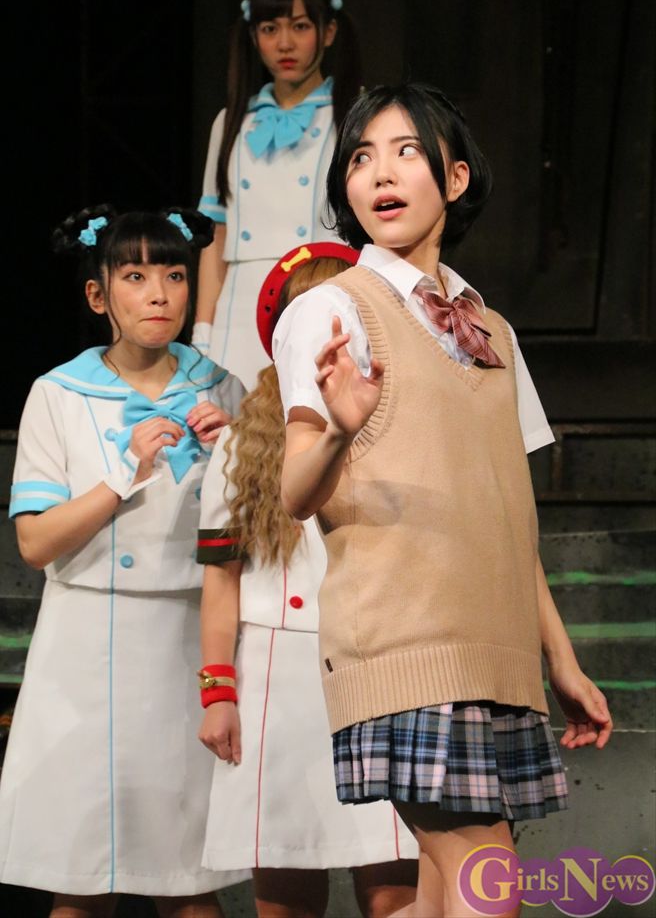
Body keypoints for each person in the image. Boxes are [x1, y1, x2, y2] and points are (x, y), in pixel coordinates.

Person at [273, 84, 613, 918]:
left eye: (405, 152)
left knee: (440, 897)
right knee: (487, 880)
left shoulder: (491, 330)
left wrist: (560, 658)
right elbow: (293, 493)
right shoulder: (330, 309)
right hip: (403, 644)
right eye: (361, 157)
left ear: (455, 178)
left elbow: (507, 512)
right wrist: (339, 429)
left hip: (495, 649)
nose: (380, 174)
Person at [0, 206, 247, 918]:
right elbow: (34, 542)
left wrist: (236, 451)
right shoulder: (57, 393)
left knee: (190, 883)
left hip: (188, 640)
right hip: (83, 650)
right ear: (98, 294)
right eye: (135, 276)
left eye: (174, 274)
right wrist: (121, 477)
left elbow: (260, 528)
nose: (160, 294)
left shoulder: (223, 388)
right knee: (79, 883)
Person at [196, 243, 419, 918]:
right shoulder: (243, 441)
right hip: (279, 678)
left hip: (384, 663)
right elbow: (222, 580)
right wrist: (217, 691)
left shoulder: (407, 421)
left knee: (394, 885)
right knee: (287, 887)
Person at [193, 0, 362, 388]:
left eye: (300, 26)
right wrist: (203, 330)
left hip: (320, 291)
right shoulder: (231, 122)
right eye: (270, 29)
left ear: (328, 31)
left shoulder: (356, 115)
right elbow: (215, 236)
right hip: (238, 310)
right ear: (254, 37)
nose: (284, 43)